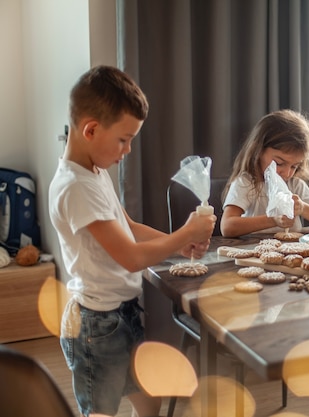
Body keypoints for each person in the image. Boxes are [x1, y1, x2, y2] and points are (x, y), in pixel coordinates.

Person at [49, 65, 216, 417]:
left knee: (146, 400)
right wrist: (184, 233)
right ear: (91, 130)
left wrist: (178, 244)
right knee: (101, 411)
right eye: (123, 139)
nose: (127, 150)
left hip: (121, 313)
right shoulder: (75, 187)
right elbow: (130, 257)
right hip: (96, 324)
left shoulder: (94, 172)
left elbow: (129, 227)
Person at [220, 109, 309, 237]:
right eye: (279, 163)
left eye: (294, 166)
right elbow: (227, 227)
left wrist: (302, 208)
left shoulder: (295, 185)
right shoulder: (246, 183)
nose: (287, 173)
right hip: (255, 251)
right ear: (259, 151)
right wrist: (273, 219)